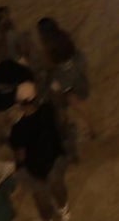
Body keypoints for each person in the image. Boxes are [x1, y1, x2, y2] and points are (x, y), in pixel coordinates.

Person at [9, 81, 70, 221]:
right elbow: (61, 120)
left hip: (35, 170)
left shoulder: (18, 128)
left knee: (41, 198)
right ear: (35, 98)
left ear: (19, 103)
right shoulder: (47, 110)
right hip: (55, 159)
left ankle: (49, 219)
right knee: (58, 186)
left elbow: (20, 155)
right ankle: (64, 210)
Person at [36, 17, 94, 160]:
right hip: (75, 68)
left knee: (60, 105)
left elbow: (49, 65)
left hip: (63, 77)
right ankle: (91, 127)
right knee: (77, 102)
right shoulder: (64, 36)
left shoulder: (48, 45)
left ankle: (64, 136)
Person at [0, 39, 34, 147]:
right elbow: (29, 92)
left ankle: (4, 139)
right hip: (16, 105)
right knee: (16, 127)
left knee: (3, 130)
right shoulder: (23, 71)